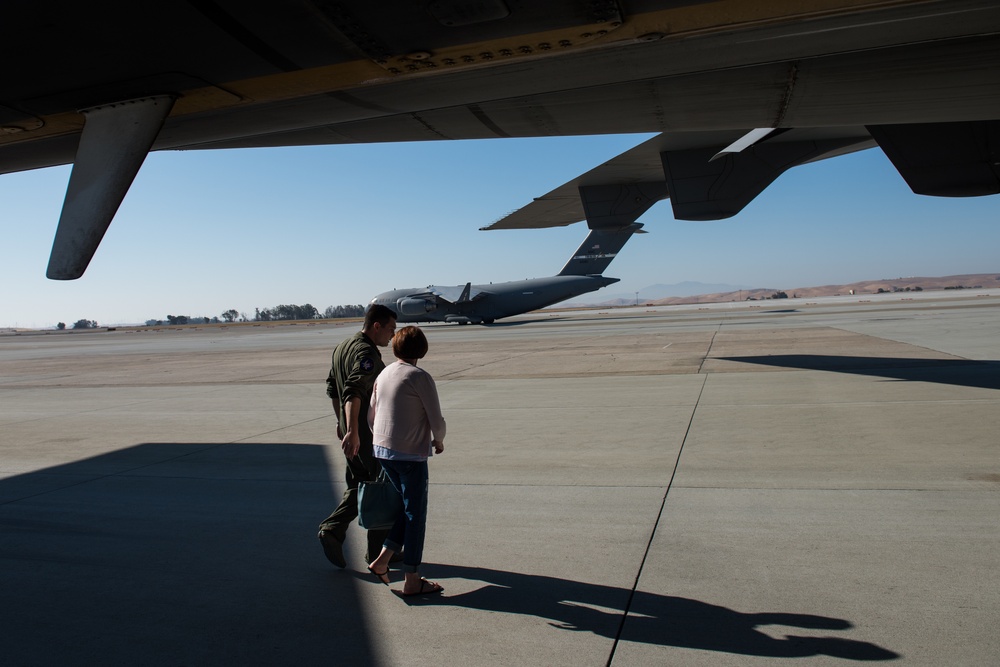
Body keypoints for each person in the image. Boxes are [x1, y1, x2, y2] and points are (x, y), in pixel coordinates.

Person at [366, 326, 447, 596]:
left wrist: (382, 440)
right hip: (409, 454)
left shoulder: (384, 373)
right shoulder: (419, 376)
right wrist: (439, 439)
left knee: (406, 508)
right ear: (422, 350)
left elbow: (372, 415)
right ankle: (412, 578)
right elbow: (436, 418)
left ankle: (381, 561)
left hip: (383, 450)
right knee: (416, 515)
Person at [317, 304, 397, 568]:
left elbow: (332, 389)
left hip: (351, 431)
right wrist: (352, 429)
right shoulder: (366, 354)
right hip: (364, 433)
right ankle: (376, 553)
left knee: (358, 485)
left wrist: (340, 421)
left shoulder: (343, 346)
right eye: (390, 329)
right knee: (379, 488)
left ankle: (334, 530)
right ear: (377, 326)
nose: (392, 336)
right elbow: (352, 390)